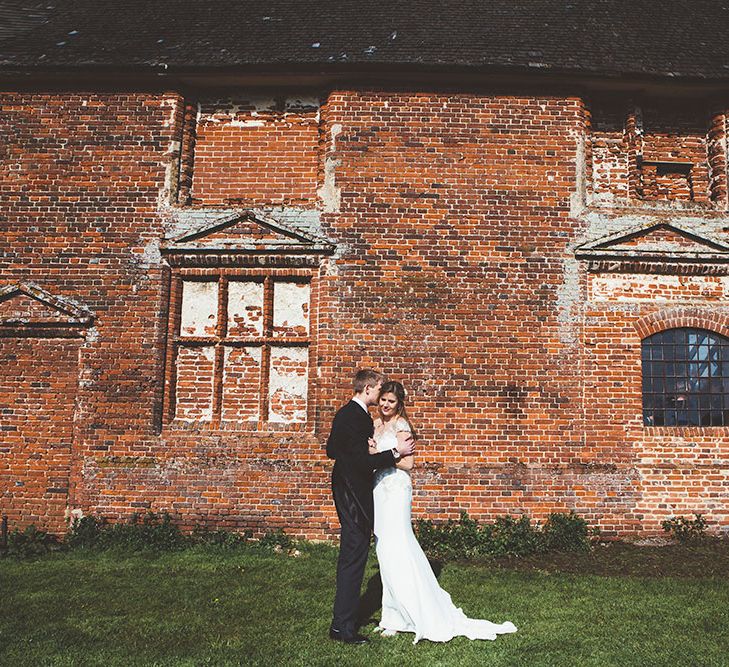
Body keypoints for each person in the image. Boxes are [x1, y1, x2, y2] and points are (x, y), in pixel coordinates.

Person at [370, 380, 518, 644]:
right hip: (379, 489)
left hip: (396, 489)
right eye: (383, 400)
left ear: (399, 403)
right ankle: (392, 614)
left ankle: (409, 612)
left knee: (399, 546)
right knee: (384, 549)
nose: (385, 405)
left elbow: (409, 463)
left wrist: (383, 455)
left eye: (391, 401)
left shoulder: (402, 426)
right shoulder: (377, 425)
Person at [326, 369, 416, 645]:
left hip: (360, 492)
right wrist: (391, 453)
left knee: (356, 555)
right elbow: (357, 463)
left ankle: (345, 621)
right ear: (368, 388)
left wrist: (365, 452)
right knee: (354, 557)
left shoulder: (353, 415)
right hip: (354, 495)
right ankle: (343, 627)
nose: (380, 398)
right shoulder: (353, 416)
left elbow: (332, 449)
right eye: (379, 391)